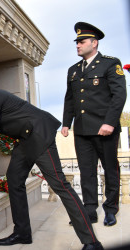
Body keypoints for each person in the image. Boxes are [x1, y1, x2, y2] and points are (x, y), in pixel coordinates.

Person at [0, 77, 103, 250]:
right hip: (25, 138)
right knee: (14, 179)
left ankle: (91, 241)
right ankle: (22, 232)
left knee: (60, 184)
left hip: (39, 134)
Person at [62, 22, 126, 227]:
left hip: (104, 129)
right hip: (81, 130)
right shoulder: (73, 70)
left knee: (110, 169)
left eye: (82, 41)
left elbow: (119, 96)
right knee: (86, 171)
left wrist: (109, 123)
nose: (78, 45)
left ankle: (110, 209)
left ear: (94, 43)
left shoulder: (110, 63)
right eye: (77, 42)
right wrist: (66, 123)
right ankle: (90, 210)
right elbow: (70, 99)